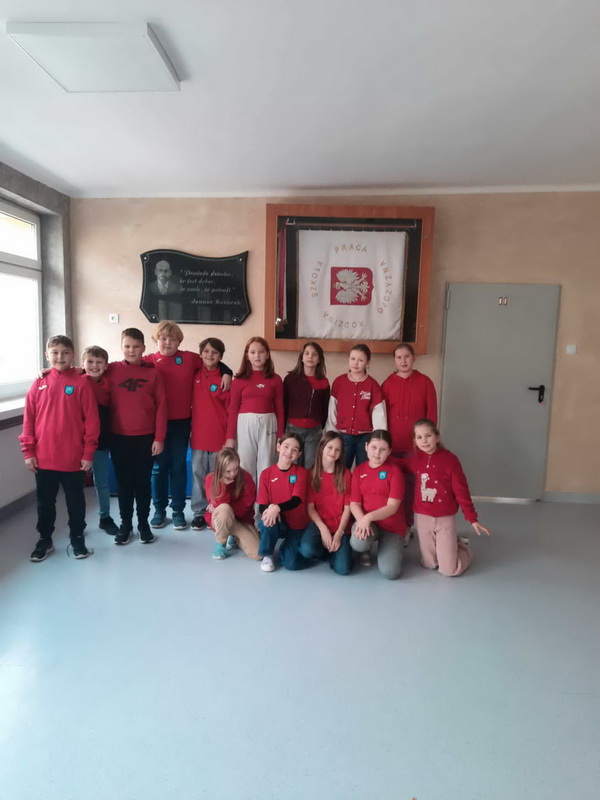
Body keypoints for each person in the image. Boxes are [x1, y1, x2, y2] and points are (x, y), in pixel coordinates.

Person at [145, 321, 232, 531]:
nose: (167, 342)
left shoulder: (188, 358)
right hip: (156, 424)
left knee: (178, 468)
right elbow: (124, 365)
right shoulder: (148, 361)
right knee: (158, 468)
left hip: (181, 423)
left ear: (179, 342)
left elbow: (213, 360)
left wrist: (227, 372)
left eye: (172, 339)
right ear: (156, 340)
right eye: (163, 339)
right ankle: (159, 510)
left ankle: (177, 511)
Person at [19, 335, 99, 561]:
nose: (60, 357)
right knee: (45, 503)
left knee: (76, 502)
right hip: (44, 458)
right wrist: (29, 452)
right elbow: (28, 420)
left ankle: (77, 537)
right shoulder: (39, 383)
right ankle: (45, 539)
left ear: (72, 355)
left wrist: (88, 453)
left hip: (73, 459)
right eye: (54, 352)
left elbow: (92, 422)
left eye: (65, 352)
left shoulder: (82, 383)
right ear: (47, 355)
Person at [408, 419, 491, 577]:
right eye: (419, 437)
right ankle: (449, 543)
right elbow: (397, 465)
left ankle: (462, 547)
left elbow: (461, 491)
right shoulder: (414, 460)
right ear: (415, 441)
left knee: (449, 570)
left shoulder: (450, 460)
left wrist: (472, 518)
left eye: (428, 435)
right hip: (422, 517)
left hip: (444, 518)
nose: (424, 440)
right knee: (429, 564)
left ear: (437, 437)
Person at [108, 327, 167, 545]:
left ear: (143, 348)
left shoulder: (153, 373)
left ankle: (143, 524)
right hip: (119, 438)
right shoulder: (111, 369)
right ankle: (126, 525)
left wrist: (159, 437)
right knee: (124, 485)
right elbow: (87, 369)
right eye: (127, 346)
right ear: (121, 347)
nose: (131, 350)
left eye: (135, 346)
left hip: (145, 438)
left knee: (143, 484)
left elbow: (162, 407)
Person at [381, 342, 438, 544]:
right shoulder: (387, 384)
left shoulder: (425, 382)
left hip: (416, 448)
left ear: (413, 358)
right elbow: (381, 416)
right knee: (393, 488)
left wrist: (428, 445)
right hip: (393, 447)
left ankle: (408, 526)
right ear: (394, 361)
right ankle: (393, 527)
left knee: (413, 488)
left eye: (407, 357)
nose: (403, 361)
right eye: (399, 357)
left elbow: (431, 415)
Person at [225, 336, 284, 490]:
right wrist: (230, 437)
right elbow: (233, 409)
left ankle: (263, 503)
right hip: (245, 424)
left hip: (268, 424)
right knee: (245, 464)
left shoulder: (276, 379)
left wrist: (281, 436)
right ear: (247, 355)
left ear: (267, 354)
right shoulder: (239, 380)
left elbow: (280, 409)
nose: (257, 356)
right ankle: (247, 503)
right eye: (252, 352)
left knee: (267, 464)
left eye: (261, 352)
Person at [349, 429, 405, 580]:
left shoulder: (395, 472)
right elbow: (354, 503)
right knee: (358, 543)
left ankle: (390, 547)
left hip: (392, 527)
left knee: (390, 572)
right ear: (366, 447)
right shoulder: (359, 471)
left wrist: (368, 517)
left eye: (383, 449)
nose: (377, 453)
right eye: (374, 447)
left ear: (389, 451)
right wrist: (362, 521)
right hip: (370, 524)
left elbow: (392, 507)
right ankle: (365, 549)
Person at [298, 431, 353, 575]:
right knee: (306, 549)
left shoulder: (346, 474)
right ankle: (326, 550)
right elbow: (310, 508)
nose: (333, 452)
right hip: (319, 523)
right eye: (330, 447)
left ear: (341, 453)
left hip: (340, 525)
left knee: (343, 569)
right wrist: (323, 529)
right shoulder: (311, 474)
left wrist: (339, 533)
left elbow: (348, 508)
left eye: (337, 449)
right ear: (322, 447)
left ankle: (334, 553)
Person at [190, 337, 230, 530]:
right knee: (198, 475)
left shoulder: (225, 379)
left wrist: (229, 437)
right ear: (200, 354)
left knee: (216, 477)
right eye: (206, 351)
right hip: (198, 437)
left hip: (218, 437)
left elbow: (230, 410)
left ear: (220, 356)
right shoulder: (194, 374)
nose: (210, 355)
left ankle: (215, 510)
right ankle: (198, 512)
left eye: (214, 352)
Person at [256, 433, 311, 573]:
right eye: (286, 446)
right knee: (267, 519)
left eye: (294, 449)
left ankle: (286, 548)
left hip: (296, 524)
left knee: (291, 564)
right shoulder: (266, 474)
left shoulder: (301, 473)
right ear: (278, 447)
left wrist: (277, 508)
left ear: (299, 454)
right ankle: (267, 554)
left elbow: (296, 500)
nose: (289, 452)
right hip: (276, 520)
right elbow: (262, 505)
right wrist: (272, 509)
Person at [327, 343, 386, 468]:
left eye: (360, 360)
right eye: (353, 359)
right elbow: (333, 409)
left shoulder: (373, 385)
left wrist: (378, 438)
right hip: (343, 435)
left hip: (365, 437)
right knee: (341, 469)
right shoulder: (339, 382)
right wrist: (332, 434)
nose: (356, 363)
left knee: (364, 469)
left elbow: (378, 413)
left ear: (367, 362)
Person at [81, 345, 118, 535]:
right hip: (79, 441)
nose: (94, 365)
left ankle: (105, 517)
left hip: (102, 440)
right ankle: (77, 521)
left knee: (101, 481)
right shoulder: (78, 382)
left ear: (106, 365)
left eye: (99, 362)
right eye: (90, 362)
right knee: (75, 484)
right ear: (82, 364)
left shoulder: (110, 382)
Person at [204, 448, 260, 561]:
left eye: (236, 469)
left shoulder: (246, 478)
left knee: (258, 554)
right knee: (224, 509)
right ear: (220, 469)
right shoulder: (211, 479)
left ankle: (232, 534)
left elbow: (246, 505)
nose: (233, 474)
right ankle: (220, 543)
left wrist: (228, 514)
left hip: (241, 520)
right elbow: (219, 505)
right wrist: (223, 486)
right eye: (228, 471)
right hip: (221, 518)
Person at [283, 341, 330, 469]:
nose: (310, 357)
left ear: (319, 359)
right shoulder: (290, 379)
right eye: (307, 353)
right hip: (293, 428)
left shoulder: (324, 382)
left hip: (314, 431)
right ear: (302, 357)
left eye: (314, 354)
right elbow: (284, 404)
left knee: (310, 465)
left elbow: (325, 406)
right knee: (292, 463)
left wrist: (321, 425)